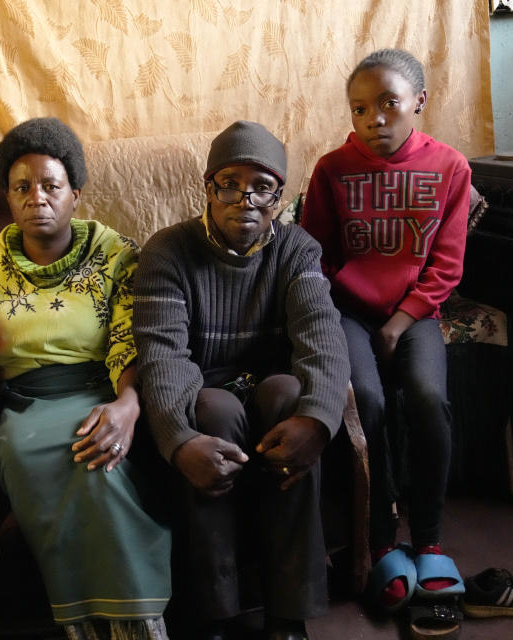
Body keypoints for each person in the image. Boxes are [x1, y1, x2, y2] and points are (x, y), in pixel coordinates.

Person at [0, 117, 172, 639]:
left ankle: (139, 626)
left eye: (51, 186)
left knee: (98, 461)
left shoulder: (115, 254)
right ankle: (84, 629)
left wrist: (128, 406)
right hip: (19, 407)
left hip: (100, 393)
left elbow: (130, 337)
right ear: (7, 197)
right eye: (22, 187)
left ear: (75, 192)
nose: (37, 198)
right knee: (30, 454)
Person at [133, 120, 351, 640]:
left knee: (290, 394)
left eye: (262, 186)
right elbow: (163, 356)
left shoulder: (297, 250)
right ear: (208, 189)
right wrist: (179, 442)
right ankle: (215, 613)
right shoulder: (167, 251)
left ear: (279, 196)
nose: (245, 199)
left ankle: (287, 610)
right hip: (204, 393)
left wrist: (318, 423)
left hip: (270, 391)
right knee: (214, 409)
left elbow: (321, 335)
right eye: (230, 182)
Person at [301, 48, 471, 613]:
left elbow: (446, 265)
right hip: (348, 311)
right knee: (365, 400)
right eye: (359, 109)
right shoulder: (331, 169)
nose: (374, 119)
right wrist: (345, 315)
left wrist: (401, 321)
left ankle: (427, 538)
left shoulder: (450, 167)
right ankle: (378, 541)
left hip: (416, 311)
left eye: (388, 104)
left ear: (418, 102)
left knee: (427, 398)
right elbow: (315, 259)